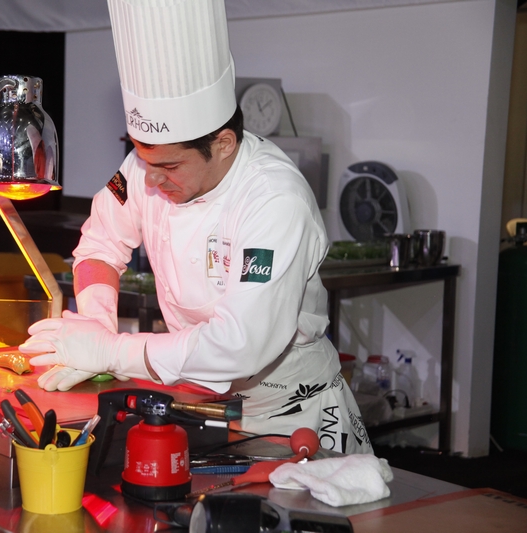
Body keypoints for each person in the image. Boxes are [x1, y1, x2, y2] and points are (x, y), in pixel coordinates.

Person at [19, 0, 372, 454]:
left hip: (292, 417)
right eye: (143, 158)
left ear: (223, 144)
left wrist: (110, 349)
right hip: (194, 401)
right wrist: (95, 321)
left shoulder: (274, 199)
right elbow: (100, 245)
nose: (152, 179)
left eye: (169, 165)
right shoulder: (146, 164)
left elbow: (238, 345)